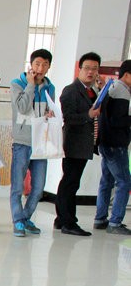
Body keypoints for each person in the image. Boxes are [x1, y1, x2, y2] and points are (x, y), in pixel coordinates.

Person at [9, 49, 56, 238]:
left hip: (41, 143)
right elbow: (22, 107)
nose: (41, 68)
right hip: (22, 141)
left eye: (45, 64)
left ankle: (25, 217)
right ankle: (17, 221)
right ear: (31, 64)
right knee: (17, 186)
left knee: (38, 188)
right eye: (37, 63)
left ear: (49, 66)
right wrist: (30, 85)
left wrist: (50, 114)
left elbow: (49, 110)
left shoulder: (49, 88)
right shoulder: (17, 83)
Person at [54, 53, 101, 237]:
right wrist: (88, 115)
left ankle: (61, 219)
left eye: (94, 69)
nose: (91, 72)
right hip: (74, 143)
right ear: (79, 69)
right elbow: (68, 118)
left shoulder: (92, 90)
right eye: (87, 68)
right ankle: (68, 222)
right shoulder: (71, 90)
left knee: (71, 182)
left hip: (84, 144)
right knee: (70, 182)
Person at [94, 59, 131, 236]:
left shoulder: (112, 87)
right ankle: (115, 222)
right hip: (116, 144)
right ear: (127, 75)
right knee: (124, 182)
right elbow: (117, 120)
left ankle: (100, 218)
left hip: (106, 142)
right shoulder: (122, 91)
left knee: (107, 181)